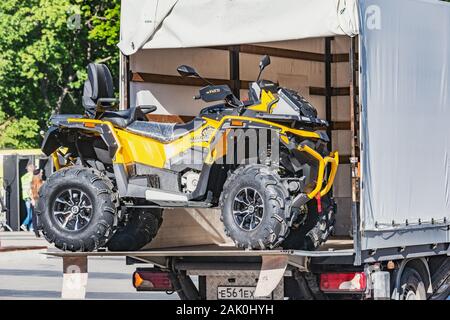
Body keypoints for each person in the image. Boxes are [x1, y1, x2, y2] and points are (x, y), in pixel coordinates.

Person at [20, 163, 35, 231]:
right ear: (31, 168)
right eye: (34, 167)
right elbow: (31, 187)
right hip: (30, 196)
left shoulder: (23, 177)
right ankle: (24, 224)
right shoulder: (31, 175)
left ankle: (31, 227)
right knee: (31, 214)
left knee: (31, 213)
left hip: (26, 196)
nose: (35, 169)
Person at [30, 169, 44, 237]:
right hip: (36, 200)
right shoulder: (37, 182)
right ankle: (36, 230)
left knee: (36, 216)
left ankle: (37, 231)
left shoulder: (38, 182)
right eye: (41, 173)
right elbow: (31, 191)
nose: (42, 174)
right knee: (36, 216)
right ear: (38, 174)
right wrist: (32, 199)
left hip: (38, 200)